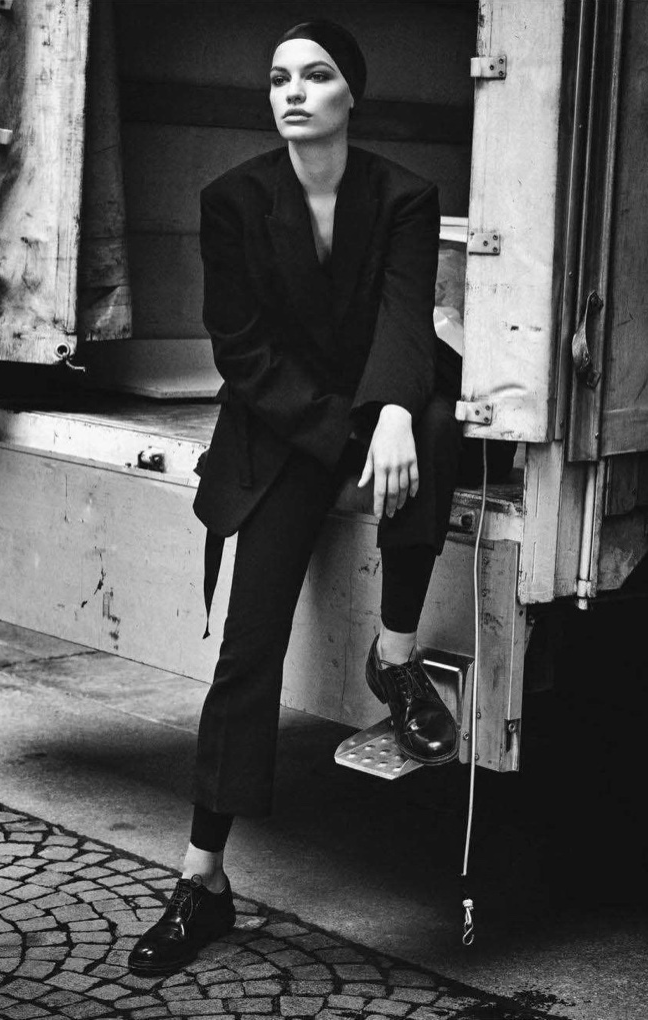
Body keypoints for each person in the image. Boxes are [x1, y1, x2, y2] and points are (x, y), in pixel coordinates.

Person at [128, 20, 463, 976]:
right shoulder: (233, 199)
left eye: (316, 76)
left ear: (352, 93)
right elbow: (243, 351)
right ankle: (203, 880)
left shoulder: (404, 195)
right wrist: (346, 434)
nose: (294, 92)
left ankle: (395, 658)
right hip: (283, 426)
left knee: (435, 423)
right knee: (249, 647)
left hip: (376, 400)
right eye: (279, 78)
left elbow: (405, 317)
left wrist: (391, 411)